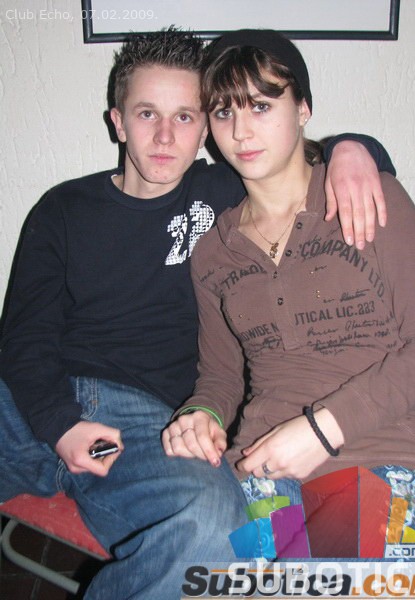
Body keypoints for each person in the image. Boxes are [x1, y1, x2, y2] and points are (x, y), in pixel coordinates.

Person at [0, 28, 394, 598]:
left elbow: (308, 152)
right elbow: (24, 340)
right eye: (147, 114)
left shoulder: (227, 191)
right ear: (118, 122)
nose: (165, 136)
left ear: (206, 128)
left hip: (147, 430)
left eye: (185, 117)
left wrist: (354, 148)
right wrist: (60, 424)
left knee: (220, 536)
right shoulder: (63, 208)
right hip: (31, 401)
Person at [163, 29, 415, 561]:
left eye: (261, 106)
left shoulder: (369, 198)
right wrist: (202, 412)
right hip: (263, 470)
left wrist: (321, 430)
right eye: (224, 113)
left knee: (342, 586)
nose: (241, 131)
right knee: (224, 574)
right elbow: (221, 375)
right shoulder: (214, 251)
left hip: (382, 462)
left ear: (302, 110)